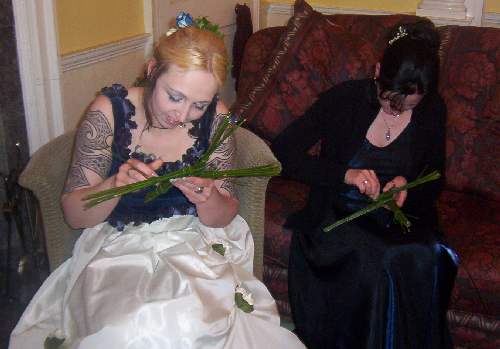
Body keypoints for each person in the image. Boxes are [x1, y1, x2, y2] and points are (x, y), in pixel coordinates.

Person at [10, 15, 305, 349]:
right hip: (119, 247)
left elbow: (223, 215)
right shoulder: (109, 112)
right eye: (174, 97)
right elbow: (74, 215)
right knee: (124, 329)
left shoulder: (216, 120)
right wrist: (115, 185)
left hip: (195, 243)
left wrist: (206, 198)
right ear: (152, 71)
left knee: (194, 321)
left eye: (199, 105)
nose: (181, 115)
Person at [271, 20, 458, 349]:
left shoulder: (432, 109)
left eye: (408, 106)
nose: (396, 111)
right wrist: (345, 174)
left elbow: (436, 175)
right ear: (376, 72)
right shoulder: (343, 100)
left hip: (401, 215)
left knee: (426, 253)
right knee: (380, 259)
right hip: (340, 211)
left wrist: (408, 187)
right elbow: (283, 152)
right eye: (389, 100)